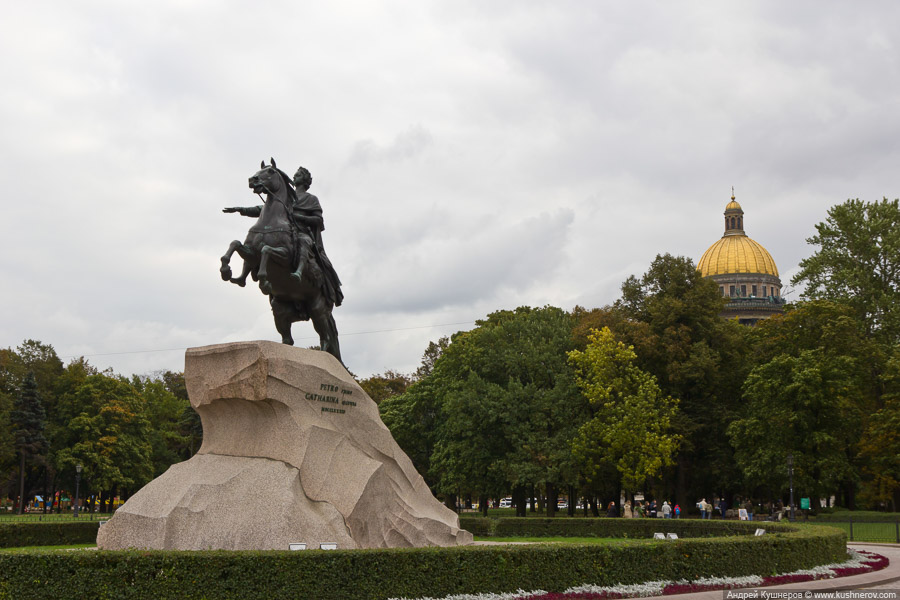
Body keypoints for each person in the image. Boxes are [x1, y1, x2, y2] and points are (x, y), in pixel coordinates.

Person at [289, 167, 343, 307]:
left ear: (305, 180)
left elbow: (319, 220)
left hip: (303, 233)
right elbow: (267, 209)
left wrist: (298, 216)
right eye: (294, 175)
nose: (294, 177)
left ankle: (300, 271)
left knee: (304, 241)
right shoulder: (287, 197)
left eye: (298, 175)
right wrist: (242, 210)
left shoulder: (311, 199)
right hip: (287, 232)